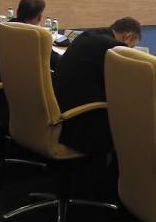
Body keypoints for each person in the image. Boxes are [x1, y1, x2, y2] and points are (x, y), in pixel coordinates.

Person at [52, 17, 141, 155]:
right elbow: (126, 88)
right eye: (132, 46)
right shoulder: (115, 49)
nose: (130, 50)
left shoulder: (89, 35)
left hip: (59, 113)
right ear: (128, 37)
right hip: (77, 126)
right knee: (133, 124)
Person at [0, 0, 59, 120]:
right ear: (39, 17)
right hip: (1, 98)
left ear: (18, 11)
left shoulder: (4, 27)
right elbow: (56, 62)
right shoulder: (32, 35)